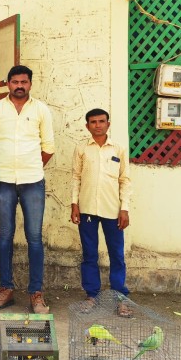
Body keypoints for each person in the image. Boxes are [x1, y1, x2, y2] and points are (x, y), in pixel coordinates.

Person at [0, 65, 55, 314]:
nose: (19, 86)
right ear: (8, 84)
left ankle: (36, 293)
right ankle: (6, 289)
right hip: (3, 182)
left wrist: (31, 166)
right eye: (15, 82)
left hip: (33, 182)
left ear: (30, 84)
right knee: (5, 237)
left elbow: (48, 148)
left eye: (24, 82)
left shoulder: (40, 110)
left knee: (34, 238)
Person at [70, 108, 132, 316]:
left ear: (108, 123)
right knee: (89, 254)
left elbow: (125, 180)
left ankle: (120, 297)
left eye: (101, 121)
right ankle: (91, 295)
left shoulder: (119, 149)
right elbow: (75, 177)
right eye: (93, 122)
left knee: (116, 254)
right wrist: (74, 204)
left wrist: (124, 208)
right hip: (87, 208)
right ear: (87, 126)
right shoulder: (81, 149)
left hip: (112, 209)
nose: (98, 125)